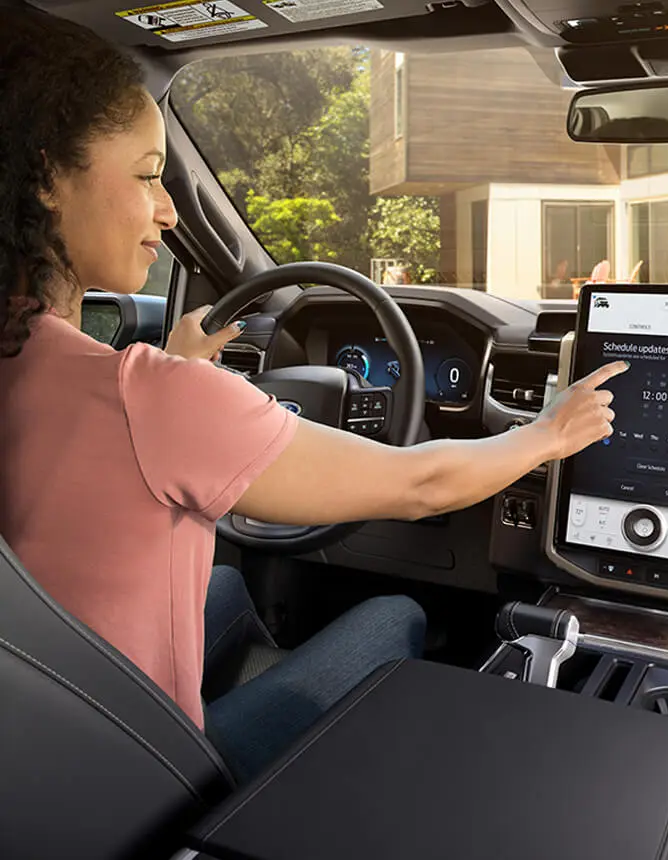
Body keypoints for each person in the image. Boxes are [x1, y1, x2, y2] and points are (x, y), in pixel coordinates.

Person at [0, 8, 628, 783]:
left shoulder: (80, 371)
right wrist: (548, 434)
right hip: (139, 784)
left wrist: (172, 366)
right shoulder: (156, 397)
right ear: (42, 181)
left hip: (31, 752)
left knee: (225, 584)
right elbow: (425, 484)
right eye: (145, 175)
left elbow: (101, 440)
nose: (167, 210)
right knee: (395, 614)